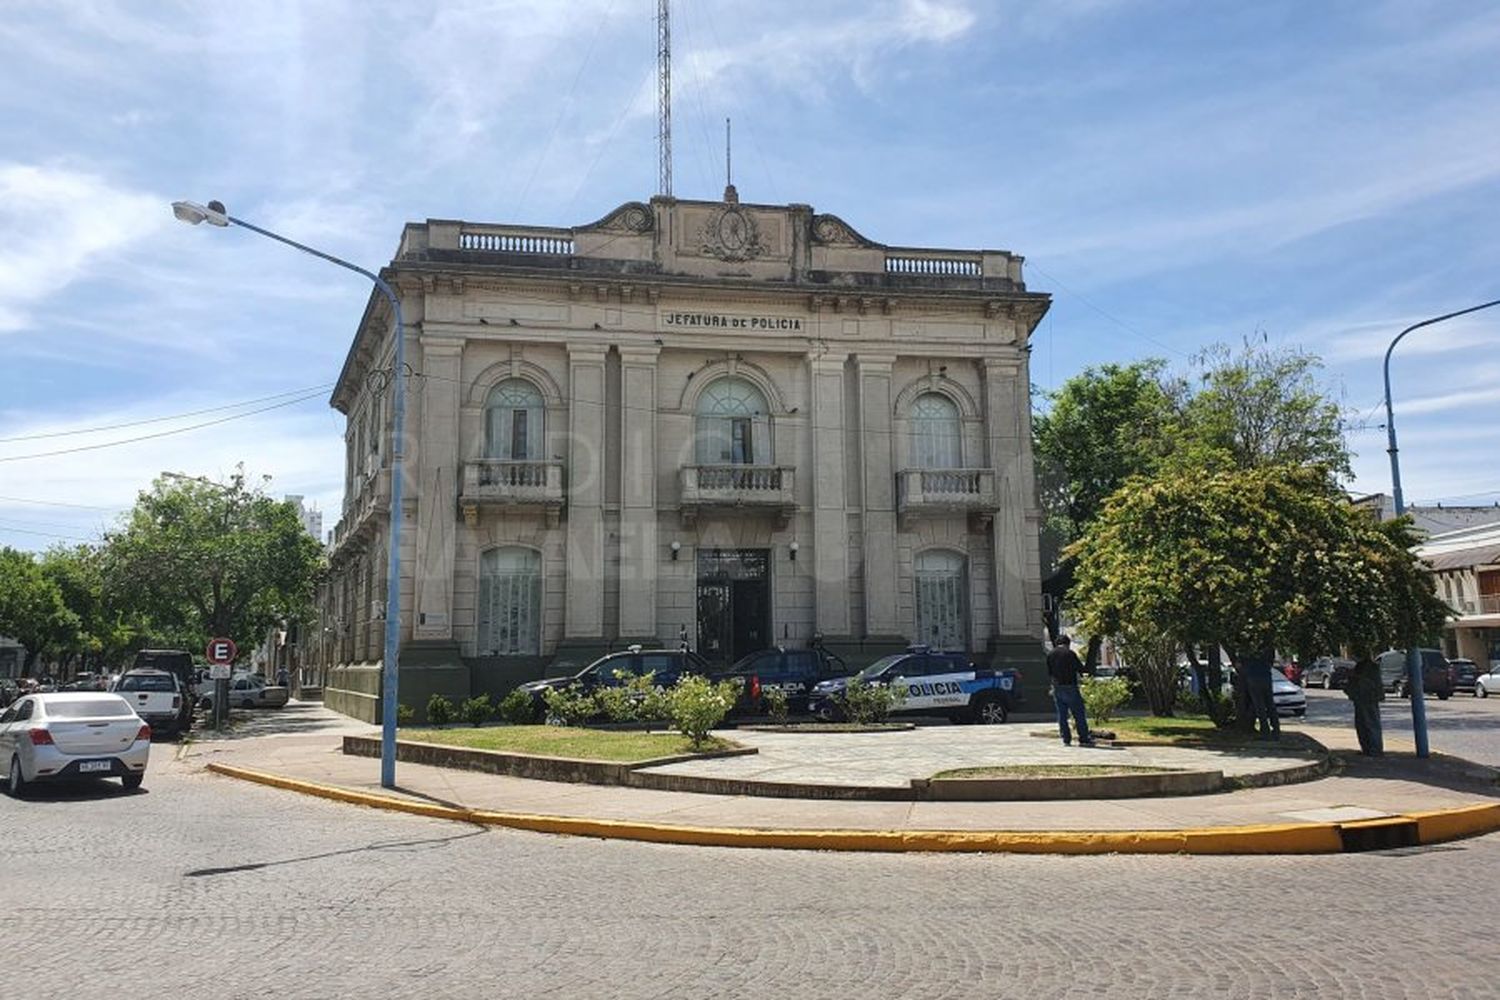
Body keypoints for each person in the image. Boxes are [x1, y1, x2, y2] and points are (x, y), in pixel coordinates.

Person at [1046, 635, 1095, 747]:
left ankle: (1066, 738)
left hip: (1057, 687)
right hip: (1070, 686)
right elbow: (1080, 668)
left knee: (1062, 714)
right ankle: (1083, 737)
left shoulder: (1050, 654)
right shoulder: (1070, 653)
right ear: (1067, 643)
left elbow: (1050, 673)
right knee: (1078, 713)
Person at [1345, 655, 1384, 756]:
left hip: (1367, 698)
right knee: (1363, 724)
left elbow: (1367, 683)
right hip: (1362, 698)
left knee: (1369, 723)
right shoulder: (1363, 666)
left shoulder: (1368, 667)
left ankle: (1374, 749)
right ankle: (1368, 749)